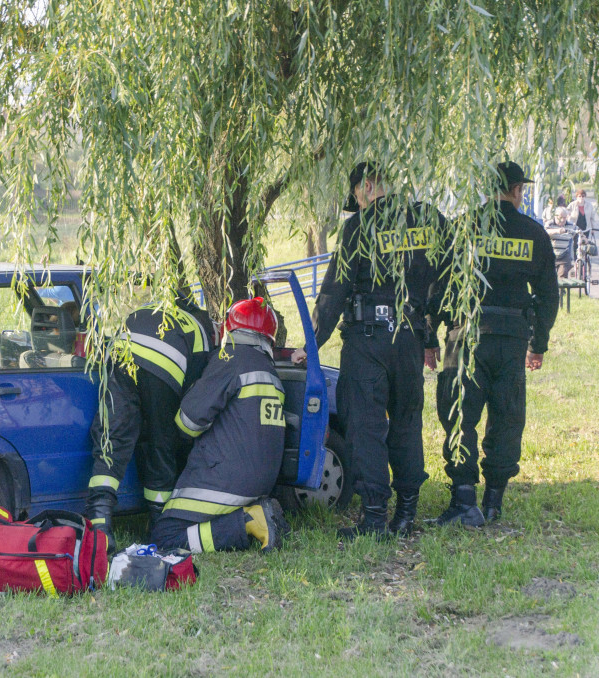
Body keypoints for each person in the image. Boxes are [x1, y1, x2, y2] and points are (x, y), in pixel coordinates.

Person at [293, 161, 446, 538]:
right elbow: (448, 275)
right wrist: (430, 333)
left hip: (368, 340)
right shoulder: (425, 219)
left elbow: (334, 291)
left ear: (362, 190)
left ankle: (376, 518)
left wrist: (311, 347)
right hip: (409, 336)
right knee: (408, 422)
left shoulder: (359, 227)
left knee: (366, 425)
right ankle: (406, 512)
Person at [427, 161, 559, 526]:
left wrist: (429, 335)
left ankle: (463, 500)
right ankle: (493, 502)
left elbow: (438, 284)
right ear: (517, 190)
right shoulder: (533, 233)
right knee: (506, 416)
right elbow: (549, 295)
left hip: (464, 336)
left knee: (459, 416)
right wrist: (539, 343)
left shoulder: (464, 228)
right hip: (512, 339)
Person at [151, 297, 289, 554]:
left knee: (166, 535)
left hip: (226, 480)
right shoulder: (271, 372)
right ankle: (256, 514)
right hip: (261, 484)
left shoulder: (230, 358)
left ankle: (249, 521)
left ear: (230, 329)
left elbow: (188, 422)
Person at [84, 290, 215, 550]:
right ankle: (158, 525)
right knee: (161, 443)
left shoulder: (148, 307)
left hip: (120, 355)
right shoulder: (200, 330)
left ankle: (100, 524)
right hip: (164, 367)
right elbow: (195, 393)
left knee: (114, 437)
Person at [545, 207, 575, 279]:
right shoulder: (550, 224)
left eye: (565, 217)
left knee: (562, 277)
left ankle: (561, 290)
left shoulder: (571, 225)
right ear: (556, 216)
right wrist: (557, 231)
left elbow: (579, 232)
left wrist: (584, 238)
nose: (563, 220)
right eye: (560, 217)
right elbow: (545, 232)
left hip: (564, 255)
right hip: (550, 254)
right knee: (549, 278)